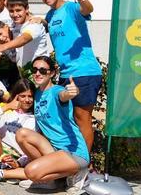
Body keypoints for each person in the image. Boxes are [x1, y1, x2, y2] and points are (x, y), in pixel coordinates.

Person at [38, 0, 100, 151]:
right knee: (68, 119)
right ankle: (73, 160)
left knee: (82, 118)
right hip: (65, 74)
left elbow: (88, 9)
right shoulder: (50, 15)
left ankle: (83, 165)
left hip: (84, 72)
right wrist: (39, 20)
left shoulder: (71, 7)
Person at [19, 56, 90, 190]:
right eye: (34, 70)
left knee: (30, 172)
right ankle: (51, 180)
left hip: (73, 152)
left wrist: (71, 93)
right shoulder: (38, 94)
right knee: (21, 134)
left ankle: (77, 172)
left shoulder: (56, 91)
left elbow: (63, 95)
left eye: (43, 70)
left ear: (52, 73)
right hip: (54, 150)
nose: (38, 73)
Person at [0, 80, 37, 186]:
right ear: (16, 96)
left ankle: (1, 172)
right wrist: (7, 106)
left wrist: (19, 162)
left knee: (35, 171)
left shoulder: (35, 118)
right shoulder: (5, 108)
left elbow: (32, 149)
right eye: (23, 96)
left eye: (30, 96)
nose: (27, 100)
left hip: (15, 158)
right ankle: (4, 168)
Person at [0, 0, 50, 79]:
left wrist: (3, 46)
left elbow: (24, 38)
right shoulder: (13, 25)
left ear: (27, 9)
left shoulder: (34, 24)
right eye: (11, 11)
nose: (15, 14)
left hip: (40, 74)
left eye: (18, 10)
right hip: (25, 75)